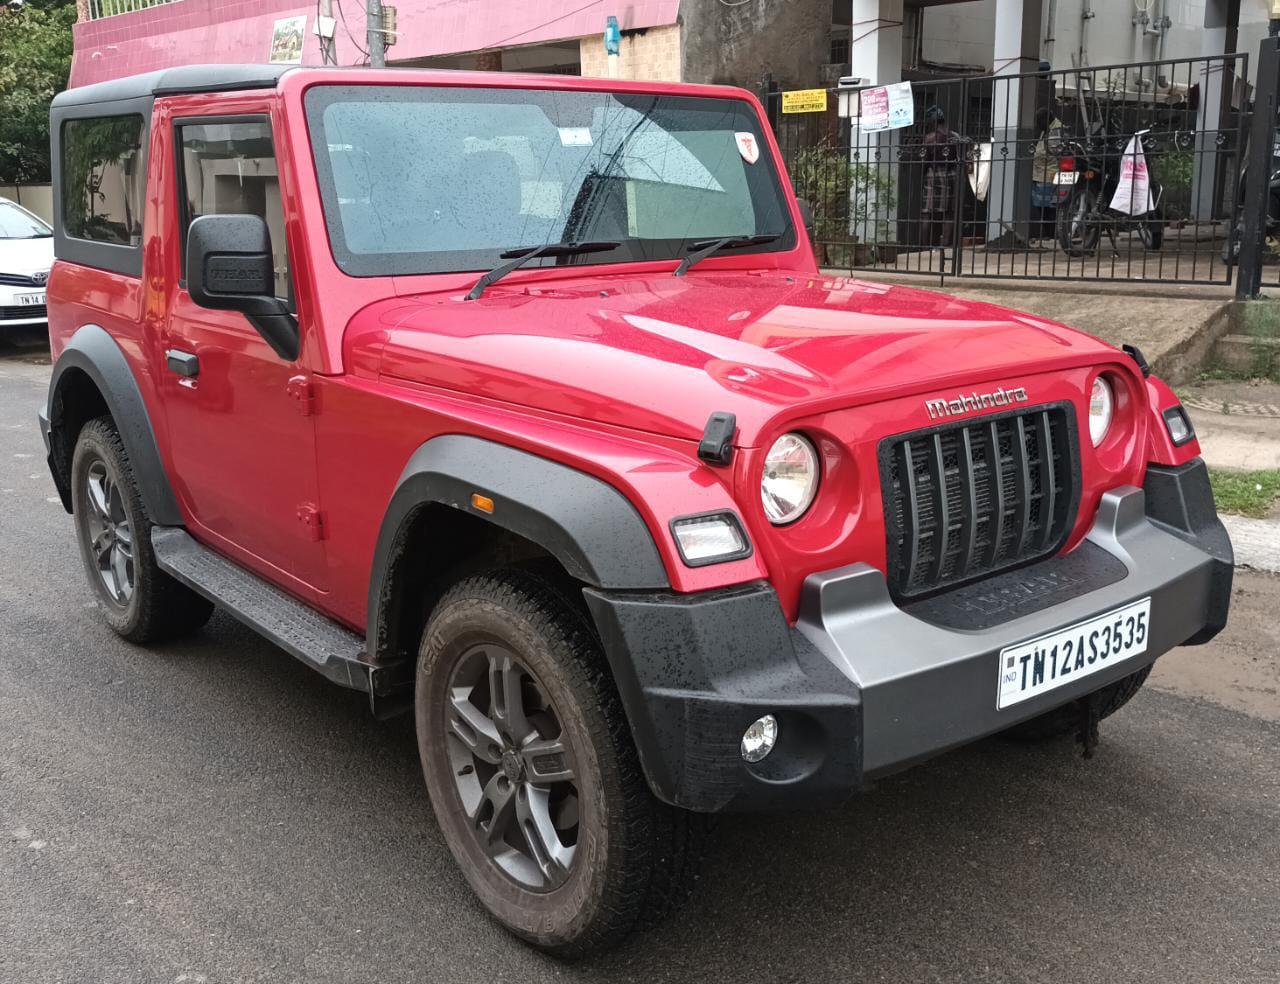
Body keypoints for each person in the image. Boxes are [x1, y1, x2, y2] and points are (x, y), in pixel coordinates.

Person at [921, 105, 969, 248]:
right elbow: (961, 158)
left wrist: (924, 174)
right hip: (951, 174)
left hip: (933, 174)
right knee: (949, 212)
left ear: (933, 122)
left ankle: (926, 247)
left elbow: (924, 161)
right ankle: (945, 245)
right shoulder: (955, 137)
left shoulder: (929, 139)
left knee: (927, 212)